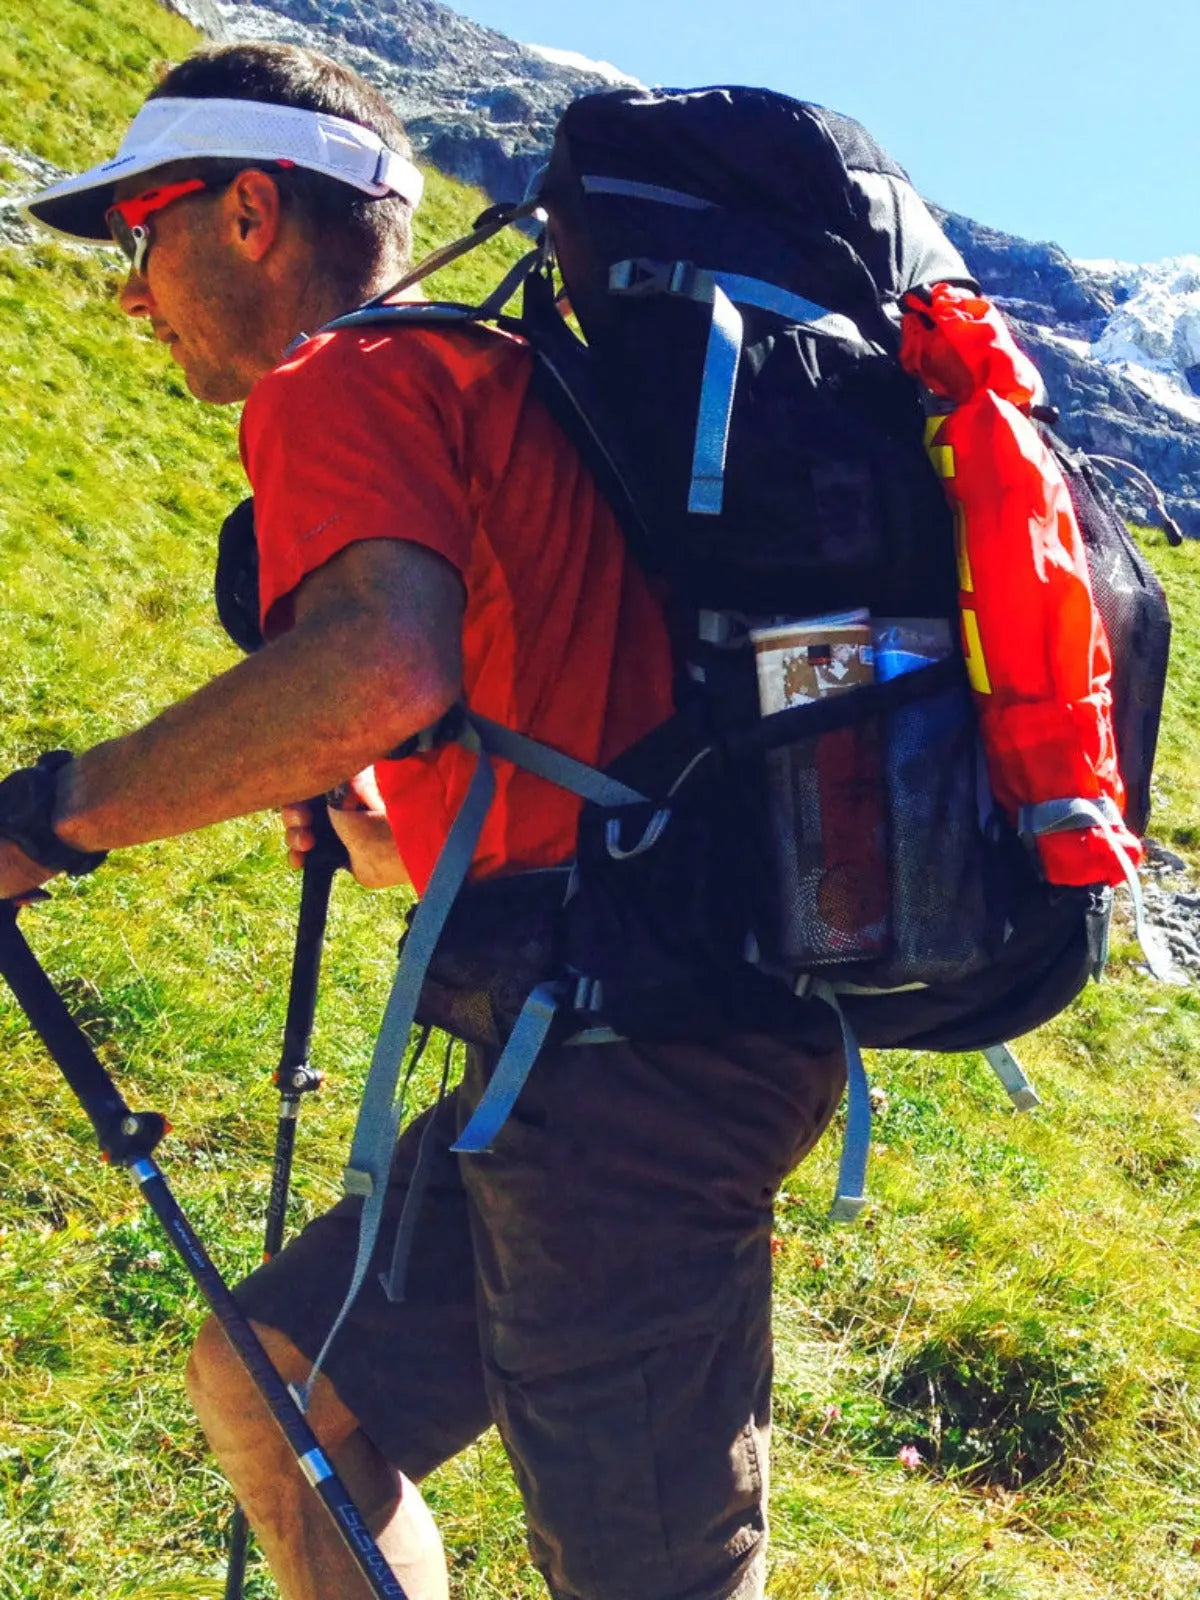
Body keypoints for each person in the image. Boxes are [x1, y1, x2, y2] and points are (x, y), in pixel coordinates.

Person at [13, 41, 847, 1600]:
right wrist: (388, 826)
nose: (132, 292)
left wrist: (50, 818)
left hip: (633, 1070)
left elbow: (381, 666)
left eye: (143, 236)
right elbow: (551, 750)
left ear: (251, 211)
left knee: (647, 1578)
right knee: (281, 1385)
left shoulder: (352, 378)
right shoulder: (494, 381)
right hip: (597, 1032)